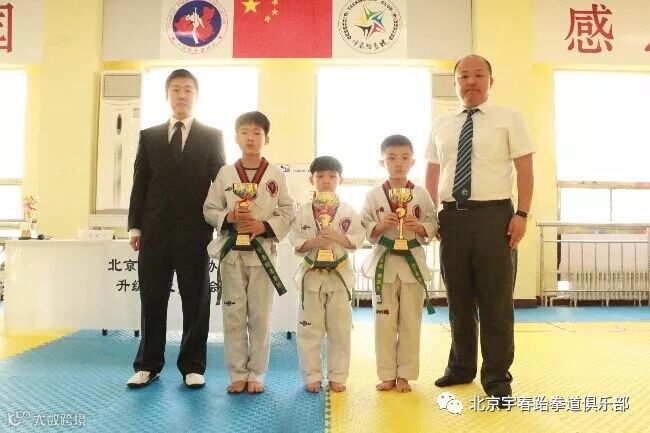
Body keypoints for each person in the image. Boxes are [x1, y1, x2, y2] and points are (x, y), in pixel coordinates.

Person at [424, 55, 535, 406]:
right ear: (455, 82)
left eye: (478, 75)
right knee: (457, 299)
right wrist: (432, 215)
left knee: (496, 302)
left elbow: (525, 168)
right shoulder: (441, 123)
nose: (470, 81)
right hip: (452, 219)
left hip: (495, 217)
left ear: (490, 80)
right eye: (463, 76)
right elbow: (433, 172)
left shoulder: (509, 118)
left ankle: (497, 377)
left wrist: (522, 214)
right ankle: (460, 367)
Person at [127, 69, 226, 389]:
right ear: (167, 95)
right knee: (152, 299)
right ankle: (148, 365)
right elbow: (140, 183)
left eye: (187, 90)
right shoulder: (149, 136)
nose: (181, 95)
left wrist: (224, 222)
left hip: (195, 232)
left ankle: (193, 365)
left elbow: (220, 184)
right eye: (175, 90)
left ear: (196, 96)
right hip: (154, 232)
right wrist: (135, 227)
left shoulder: (212, 136)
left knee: (196, 300)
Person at [203, 111, 295, 394]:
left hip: (261, 253)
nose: (250, 138)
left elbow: (288, 211)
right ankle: (237, 372)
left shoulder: (276, 175)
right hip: (232, 254)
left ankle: (256, 373)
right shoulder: (225, 173)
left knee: (260, 317)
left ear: (266, 138)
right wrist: (229, 217)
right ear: (236, 138)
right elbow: (209, 209)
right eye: (244, 132)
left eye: (257, 133)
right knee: (233, 315)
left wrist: (263, 225)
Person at [360, 134, 438, 393]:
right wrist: (380, 226)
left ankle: (405, 374)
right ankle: (386, 374)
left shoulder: (421, 194)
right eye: (391, 158)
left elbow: (433, 222)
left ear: (413, 162)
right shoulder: (373, 195)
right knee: (383, 322)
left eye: (405, 158)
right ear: (382, 162)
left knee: (410, 322)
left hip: (412, 264)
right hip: (384, 263)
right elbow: (364, 225)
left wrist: (420, 227)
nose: (398, 163)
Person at [288, 156, 365, 393]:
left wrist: (337, 236)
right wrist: (315, 241)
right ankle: (311, 375)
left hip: (339, 276)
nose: (326, 180)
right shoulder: (303, 211)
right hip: (311, 276)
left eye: (332, 176)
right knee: (309, 329)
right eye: (320, 176)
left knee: (340, 330)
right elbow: (295, 240)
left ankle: (337, 376)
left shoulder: (348, 210)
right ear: (311, 179)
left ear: (341, 180)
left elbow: (357, 240)